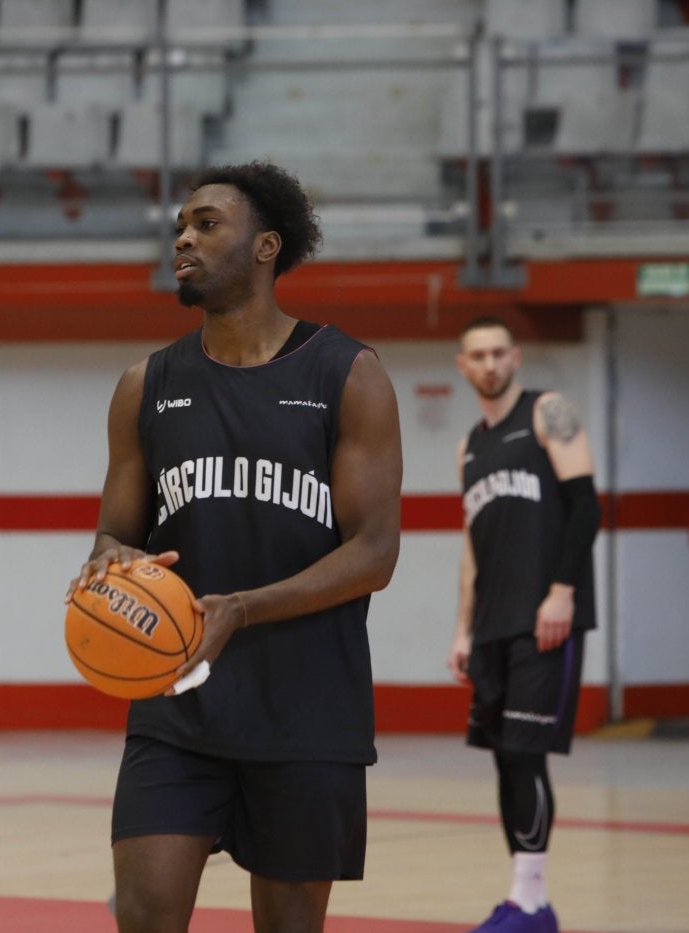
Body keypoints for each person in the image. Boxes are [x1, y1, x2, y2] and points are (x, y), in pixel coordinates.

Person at [67, 161, 403, 933]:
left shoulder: (346, 373)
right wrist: (107, 561)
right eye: (180, 225)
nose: (183, 236)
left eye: (207, 223)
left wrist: (241, 610)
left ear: (266, 246)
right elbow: (115, 531)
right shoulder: (145, 385)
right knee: (146, 917)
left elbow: (376, 553)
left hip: (309, 705)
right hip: (177, 703)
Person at [447, 316, 601, 933]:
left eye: (499, 353)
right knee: (504, 760)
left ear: (515, 358)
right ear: (463, 366)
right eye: (477, 355)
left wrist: (561, 592)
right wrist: (462, 628)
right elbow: (471, 547)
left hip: (546, 619)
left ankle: (532, 901)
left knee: (524, 751)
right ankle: (526, 901)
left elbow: (586, 503)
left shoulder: (548, 412)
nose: (489, 364)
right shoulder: (470, 447)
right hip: (492, 624)